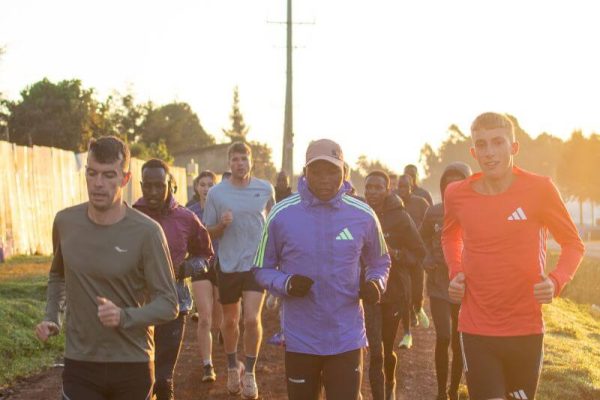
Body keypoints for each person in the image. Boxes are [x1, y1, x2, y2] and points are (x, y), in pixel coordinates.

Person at [442, 112, 585, 400]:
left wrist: (556, 281)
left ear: (513, 147)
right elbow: (449, 235)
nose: (489, 152)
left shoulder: (540, 189)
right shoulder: (457, 194)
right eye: (481, 145)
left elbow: (573, 244)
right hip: (476, 327)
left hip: (525, 327)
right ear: (473, 151)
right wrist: (456, 271)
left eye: (497, 142)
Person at [35, 136, 179, 400]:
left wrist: (124, 317)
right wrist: (53, 317)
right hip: (80, 362)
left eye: (108, 175)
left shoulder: (147, 232)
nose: (98, 183)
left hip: (132, 363)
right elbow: (58, 275)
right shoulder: (65, 222)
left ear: (125, 179)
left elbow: (170, 303)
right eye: (92, 173)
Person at [253, 139, 391, 400]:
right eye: (317, 171)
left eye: (332, 171)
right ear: (305, 173)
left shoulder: (363, 214)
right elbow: (261, 267)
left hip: (346, 336)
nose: (325, 179)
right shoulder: (281, 214)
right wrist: (286, 283)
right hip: (300, 337)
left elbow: (380, 261)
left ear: (345, 172)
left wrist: (376, 283)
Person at [133, 159, 214, 400]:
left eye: (159, 185)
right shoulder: (131, 216)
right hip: (136, 305)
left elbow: (206, 255)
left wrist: (183, 270)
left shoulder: (186, 218)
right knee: (139, 373)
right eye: (147, 186)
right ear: (141, 185)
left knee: (163, 377)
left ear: (171, 184)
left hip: (174, 304)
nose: (153, 192)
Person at [203, 141, 275, 399]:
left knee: (251, 319)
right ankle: (233, 367)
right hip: (229, 263)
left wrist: (274, 257)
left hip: (256, 263)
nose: (239, 164)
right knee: (231, 321)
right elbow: (207, 231)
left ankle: (250, 373)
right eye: (235, 159)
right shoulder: (216, 194)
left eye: (243, 159)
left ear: (251, 162)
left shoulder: (265, 189)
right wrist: (221, 226)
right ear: (228, 163)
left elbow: (274, 224)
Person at [363, 170, 426, 400]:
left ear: (387, 190)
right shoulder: (358, 213)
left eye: (378, 187)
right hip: (367, 294)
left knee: (387, 351)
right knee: (375, 353)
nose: (372, 192)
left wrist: (396, 253)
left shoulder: (400, 217)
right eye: (369, 187)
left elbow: (419, 253)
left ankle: (390, 383)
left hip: (394, 292)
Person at [420, 162, 472, 400]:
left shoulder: (476, 210)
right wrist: (427, 258)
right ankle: (441, 392)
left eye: (458, 181)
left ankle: (453, 390)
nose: (452, 186)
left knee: (459, 340)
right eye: (447, 182)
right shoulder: (433, 212)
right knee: (443, 337)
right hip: (439, 284)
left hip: (465, 286)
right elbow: (419, 241)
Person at [188, 170, 224, 383]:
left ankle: (219, 333)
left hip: (221, 266)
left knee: (218, 319)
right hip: (199, 267)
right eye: (202, 184)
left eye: (210, 184)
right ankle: (207, 365)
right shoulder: (190, 212)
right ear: (196, 187)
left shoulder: (222, 212)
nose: (206, 187)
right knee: (204, 318)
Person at [396, 174, 430, 340]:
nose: (402, 189)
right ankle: (407, 325)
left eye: (405, 186)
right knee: (404, 290)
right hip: (402, 254)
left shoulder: (420, 203)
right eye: (399, 186)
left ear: (411, 187)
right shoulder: (394, 204)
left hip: (417, 252)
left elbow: (429, 224)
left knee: (417, 288)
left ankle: (417, 307)